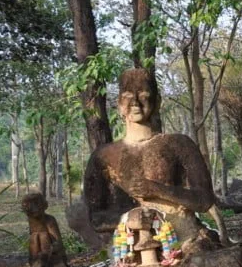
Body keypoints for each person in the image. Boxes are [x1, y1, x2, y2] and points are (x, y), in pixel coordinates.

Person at [84, 68, 215, 243]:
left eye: (144, 95)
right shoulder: (103, 156)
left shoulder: (178, 144)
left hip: (183, 238)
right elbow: (96, 218)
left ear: (157, 101)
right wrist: (132, 219)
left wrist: (157, 189)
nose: (136, 103)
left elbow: (204, 201)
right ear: (119, 104)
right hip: (131, 246)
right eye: (128, 97)